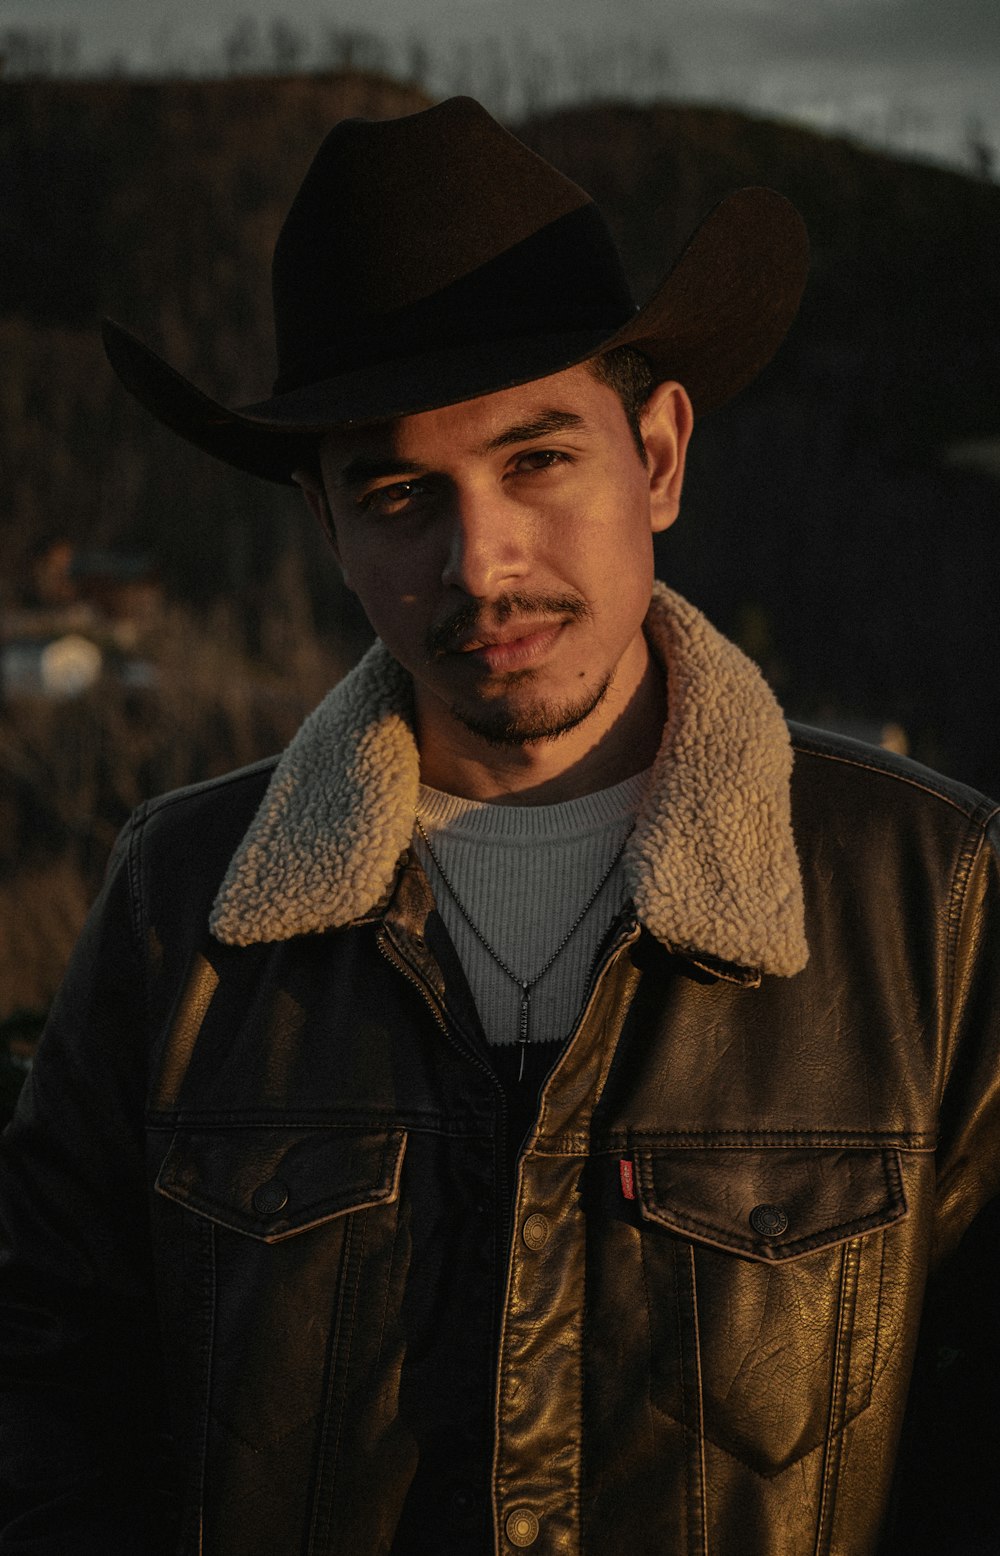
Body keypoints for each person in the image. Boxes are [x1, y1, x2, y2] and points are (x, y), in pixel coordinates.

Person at [1, 96, 998, 1556]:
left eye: (538, 460)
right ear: (328, 527)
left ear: (657, 454)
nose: (481, 564)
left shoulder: (931, 900)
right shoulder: (180, 908)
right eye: (400, 495)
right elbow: (44, 1409)